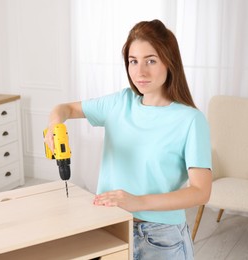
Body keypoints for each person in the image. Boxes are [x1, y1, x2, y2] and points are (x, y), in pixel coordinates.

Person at [45, 19, 212, 260]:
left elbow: (201, 192)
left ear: (169, 61)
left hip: (159, 238)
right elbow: (65, 109)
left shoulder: (190, 120)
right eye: (133, 61)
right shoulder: (120, 103)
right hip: (109, 224)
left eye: (151, 61)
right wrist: (54, 125)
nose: (140, 72)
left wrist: (138, 201)